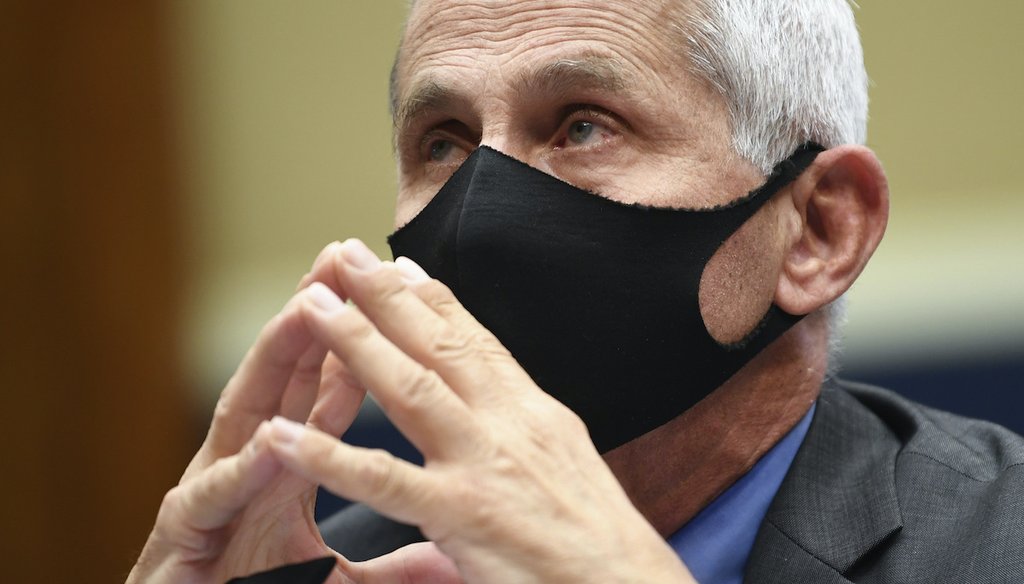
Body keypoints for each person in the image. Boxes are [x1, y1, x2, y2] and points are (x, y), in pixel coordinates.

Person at [128, 1, 1024, 582]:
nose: (480, 214)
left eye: (583, 125)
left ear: (820, 231)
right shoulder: (356, 565)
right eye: (442, 142)